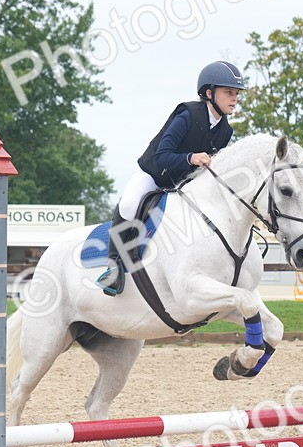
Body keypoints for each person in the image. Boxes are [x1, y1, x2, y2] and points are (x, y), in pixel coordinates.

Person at [96, 60, 245, 296]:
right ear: (209, 93)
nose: (234, 98)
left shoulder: (225, 130)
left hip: (183, 187)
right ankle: (113, 268)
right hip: (154, 175)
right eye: (228, 92)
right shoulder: (187, 115)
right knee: (128, 203)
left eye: (236, 93)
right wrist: (191, 158)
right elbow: (162, 156)